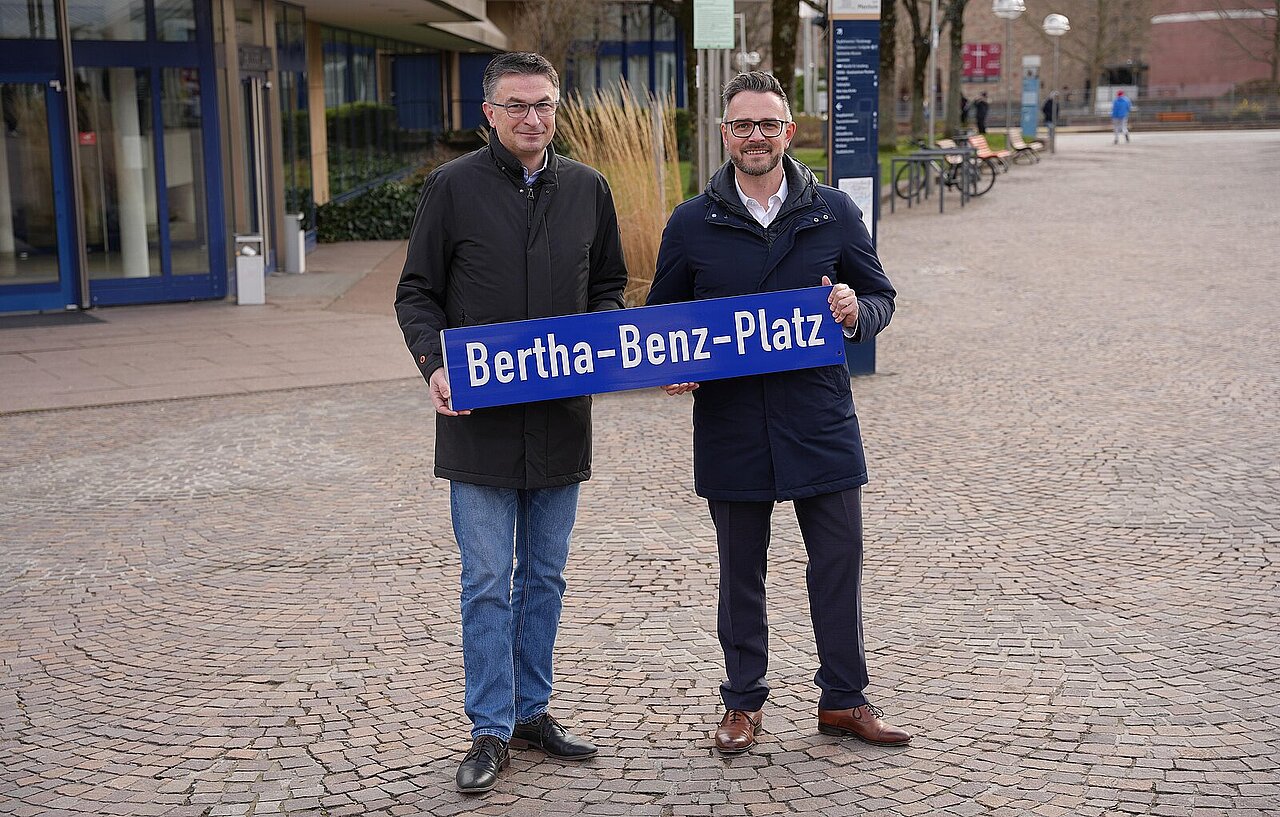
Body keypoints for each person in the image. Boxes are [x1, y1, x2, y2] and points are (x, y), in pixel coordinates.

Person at [645, 71, 909, 756]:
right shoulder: (691, 221)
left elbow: (880, 298)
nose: (755, 136)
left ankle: (845, 699)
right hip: (733, 425)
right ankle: (742, 703)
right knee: (741, 570)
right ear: (724, 133)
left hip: (818, 417)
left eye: (768, 124)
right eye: (742, 125)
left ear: (790, 131)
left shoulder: (834, 214)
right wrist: (673, 365)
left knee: (838, 561)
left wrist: (857, 313)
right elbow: (661, 320)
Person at [395, 52, 628, 795]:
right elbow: (417, 293)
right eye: (518, 105)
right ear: (488, 113)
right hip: (480, 426)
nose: (534, 118)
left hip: (561, 421)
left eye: (545, 104)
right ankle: (490, 727)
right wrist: (435, 362)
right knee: (488, 578)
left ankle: (533, 711)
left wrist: (601, 340)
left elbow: (611, 288)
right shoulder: (451, 189)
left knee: (547, 577)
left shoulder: (589, 189)